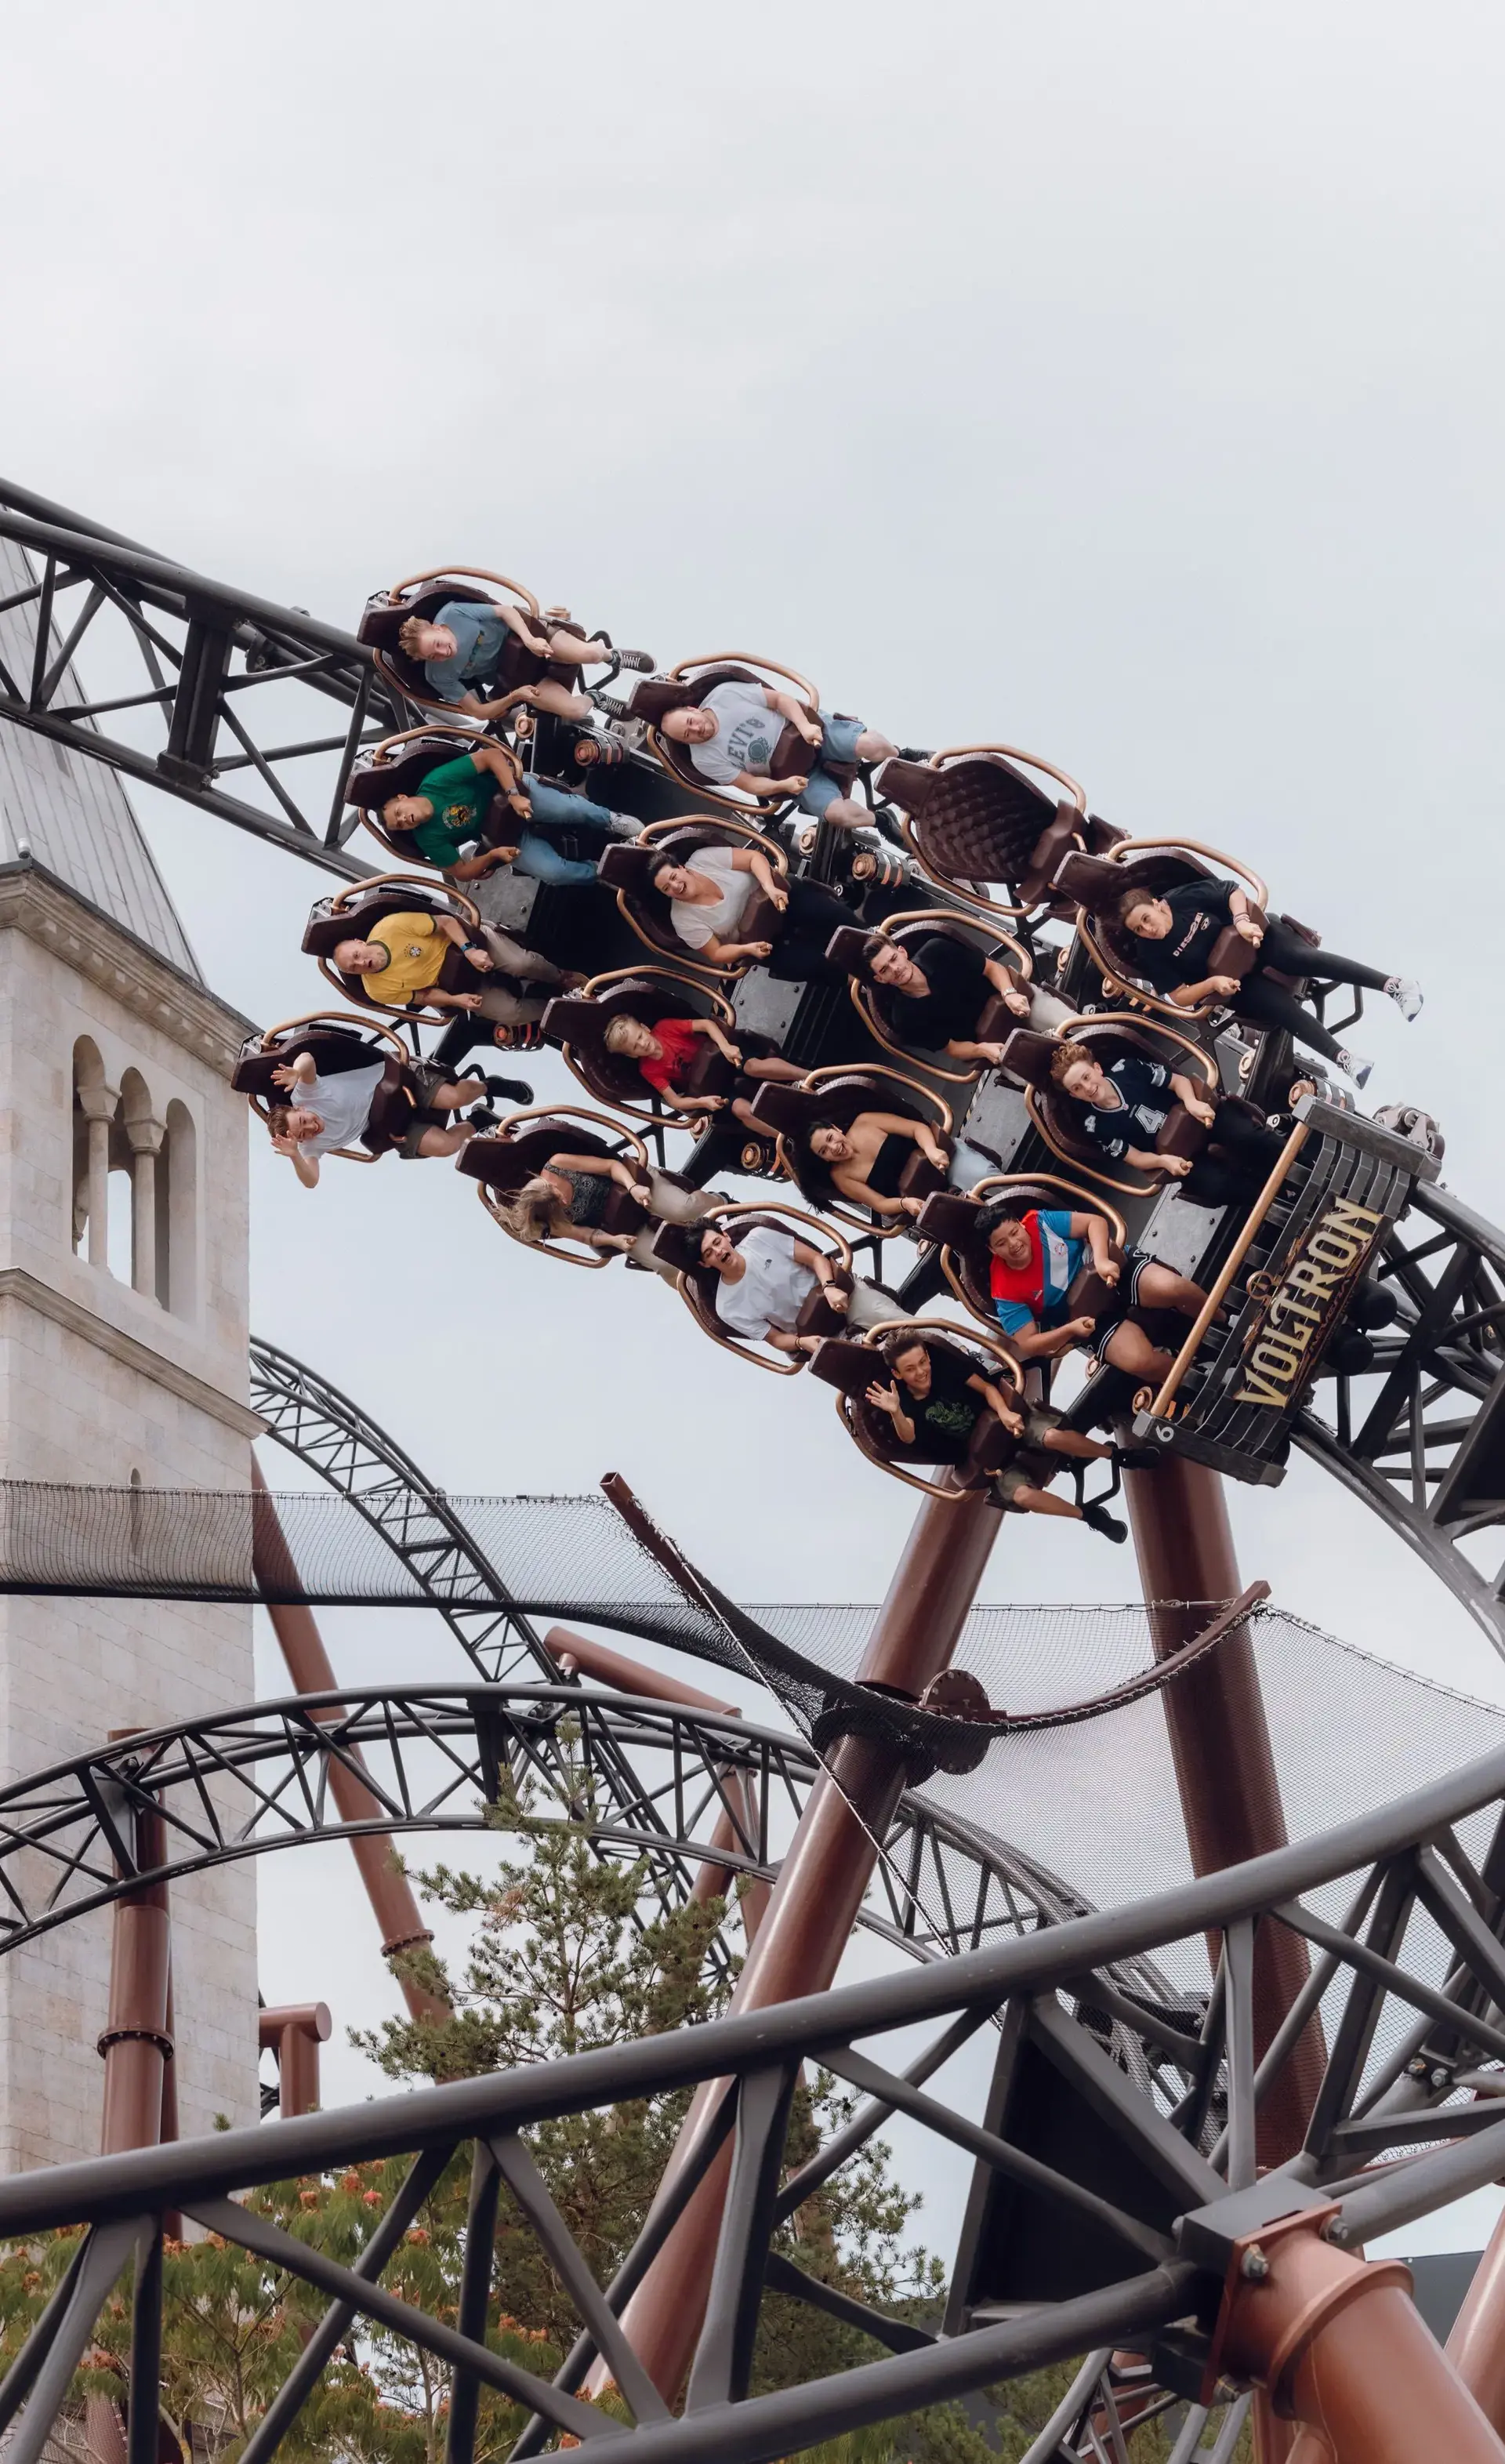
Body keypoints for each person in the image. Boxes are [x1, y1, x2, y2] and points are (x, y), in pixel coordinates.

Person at [1112, 877, 1422, 1090]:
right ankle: (1346, 1060)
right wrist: (1213, 984)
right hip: (1232, 981)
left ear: (1157, 905)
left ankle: (1395, 985)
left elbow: (1231, 891)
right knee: (1278, 1007)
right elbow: (1179, 995)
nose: (1147, 929)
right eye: (1139, 929)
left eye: (1147, 919)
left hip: (1256, 942)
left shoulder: (1182, 899)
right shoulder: (1150, 952)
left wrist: (1242, 923)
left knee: (1300, 959)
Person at [865, 1332, 1130, 1540]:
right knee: (1023, 1497)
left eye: (923, 1362)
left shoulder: (944, 1368)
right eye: (911, 1369)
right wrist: (895, 1410)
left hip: (1005, 1423)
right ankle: (1089, 1516)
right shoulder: (905, 1403)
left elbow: (987, 1389)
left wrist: (1004, 1413)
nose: (921, 1372)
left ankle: (1117, 1454)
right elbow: (909, 1435)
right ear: (898, 1374)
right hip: (986, 1458)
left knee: (1050, 1437)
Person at [978, 1201, 1206, 1387]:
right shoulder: (1004, 1290)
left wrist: (1102, 1261)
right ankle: (1200, 1379)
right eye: (1001, 1243)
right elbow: (1029, 1343)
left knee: (1174, 1288)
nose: (1014, 1244)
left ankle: (1224, 1321)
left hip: (1115, 1273)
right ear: (992, 1250)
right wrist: (1070, 1330)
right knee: (1140, 1361)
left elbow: (1094, 1222)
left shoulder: (1040, 1222)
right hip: (1091, 1320)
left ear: (1019, 1224)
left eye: (1014, 1232)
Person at [1049, 1041, 1298, 1208]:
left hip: (1199, 1119)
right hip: (1178, 1154)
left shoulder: (1127, 1070)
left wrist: (1191, 1103)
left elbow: (1177, 1082)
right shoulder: (1094, 1126)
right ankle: (1283, 1205)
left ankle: (1301, 1168)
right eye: (1077, 1088)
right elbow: (1135, 1158)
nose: (1088, 1087)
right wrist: (1163, 1162)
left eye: (1086, 1077)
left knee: (1249, 1136)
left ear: (1097, 1069)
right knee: (1218, 1186)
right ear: (1073, 1095)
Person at [372, 741, 637, 890]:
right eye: (401, 825)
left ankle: (612, 820)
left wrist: (513, 794)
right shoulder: (428, 839)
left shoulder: (438, 781)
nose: (405, 820)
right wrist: (492, 856)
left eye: (399, 813)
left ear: (403, 799)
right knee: (554, 873)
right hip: (502, 835)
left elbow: (490, 756)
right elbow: (462, 872)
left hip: (514, 794)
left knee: (571, 809)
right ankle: (604, 871)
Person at [264, 1047, 530, 1188]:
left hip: (394, 1079)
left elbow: (307, 1059)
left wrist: (296, 1073)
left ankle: (489, 1086)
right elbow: (311, 1181)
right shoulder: (311, 1146)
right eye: (304, 1135)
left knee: (454, 1098)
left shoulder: (306, 1095)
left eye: (304, 1122)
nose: (312, 1128)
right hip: (388, 1121)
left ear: (298, 1110)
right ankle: (479, 1120)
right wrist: (295, 1156)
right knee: (446, 1147)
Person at [658, 683, 897, 830]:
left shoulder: (724, 695)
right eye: (688, 735)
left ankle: (903, 759)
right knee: (838, 814)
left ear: (692, 710)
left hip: (809, 735)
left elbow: (779, 700)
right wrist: (784, 785)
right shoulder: (704, 759)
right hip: (797, 777)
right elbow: (749, 783)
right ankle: (881, 821)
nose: (697, 730)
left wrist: (804, 726)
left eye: (691, 722)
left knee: (870, 745)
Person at [397, 599, 653, 724]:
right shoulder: (438, 675)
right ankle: (597, 698)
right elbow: (477, 711)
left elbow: (504, 611)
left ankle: (614, 656)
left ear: (438, 628)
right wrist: (514, 697)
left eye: (438, 645)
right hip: (517, 679)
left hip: (531, 640)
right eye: (433, 656)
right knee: (574, 711)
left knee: (591, 655)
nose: (442, 654)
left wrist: (530, 639)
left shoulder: (454, 614)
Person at [330, 905, 580, 1027]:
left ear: (359, 942)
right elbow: (424, 996)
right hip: (455, 983)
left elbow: (446, 923)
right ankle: (561, 1006)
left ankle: (561, 977)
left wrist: (470, 952)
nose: (361, 963)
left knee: (522, 963)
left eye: (356, 955)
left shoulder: (390, 927)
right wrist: (458, 1000)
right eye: (354, 967)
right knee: (510, 1014)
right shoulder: (376, 990)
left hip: (465, 944)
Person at [499, 1148, 729, 1276]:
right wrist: (615, 1241)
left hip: (629, 1186)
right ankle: (707, 1280)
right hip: (621, 1224)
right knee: (662, 1263)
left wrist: (633, 1187)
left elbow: (611, 1166)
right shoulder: (554, 1220)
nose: (565, 1202)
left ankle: (723, 1201)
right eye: (561, 1206)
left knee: (683, 1209)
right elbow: (586, 1235)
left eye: (559, 1196)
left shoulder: (558, 1164)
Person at [695, 1221, 905, 1357]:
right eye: (709, 1253)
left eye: (717, 1242)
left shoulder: (759, 1239)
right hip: (819, 1333)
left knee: (901, 1325)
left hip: (842, 1298)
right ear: (705, 1263)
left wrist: (829, 1287)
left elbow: (816, 1258)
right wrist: (801, 1342)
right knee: (867, 1371)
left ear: (726, 1236)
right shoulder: (727, 1307)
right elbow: (776, 1338)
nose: (718, 1251)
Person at [649, 849, 854, 982]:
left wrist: (770, 887)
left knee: (832, 915)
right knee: (812, 966)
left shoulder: (702, 859)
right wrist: (747, 949)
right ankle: (858, 982)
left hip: (780, 899)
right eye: (667, 888)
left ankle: (872, 936)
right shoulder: (682, 920)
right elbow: (717, 953)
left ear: (681, 868)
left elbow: (753, 858)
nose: (676, 887)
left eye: (674, 877)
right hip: (764, 941)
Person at [601, 1013, 805, 1122]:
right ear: (632, 1055)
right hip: (713, 1087)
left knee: (753, 1066)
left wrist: (725, 1047)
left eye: (640, 1037)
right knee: (741, 1110)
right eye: (635, 1047)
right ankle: (786, 1135)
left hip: (724, 1060)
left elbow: (706, 1025)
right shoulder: (648, 1070)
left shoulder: (665, 1028)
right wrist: (702, 1102)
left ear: (645, 1028)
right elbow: (675, 1101)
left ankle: (810, 1076)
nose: (643, 1044)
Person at [865, 932, 1030, 1067]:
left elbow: (992, 968)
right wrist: (982, 1050)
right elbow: (952, 1048)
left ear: (902, 952)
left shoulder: (936, 951)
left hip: (1007, 1002)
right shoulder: (903, 1018)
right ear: (880, 979)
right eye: (885, 970)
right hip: (990, 1038)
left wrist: (1009, 993)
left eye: (893, 959)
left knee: (1053, 1018)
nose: (895, 969)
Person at [803, 1112, 953, 1221]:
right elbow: (880, 1204)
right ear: (824, 1159)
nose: (833, 1148)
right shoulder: (841, 1176)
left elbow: (916, 1129)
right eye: (824, 1151)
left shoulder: (865, 1122)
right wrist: (905, 1203)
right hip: (925, 1199)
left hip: (941, 1164)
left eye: (830, 1138)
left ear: (836, 1129)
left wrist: (931, 1149)